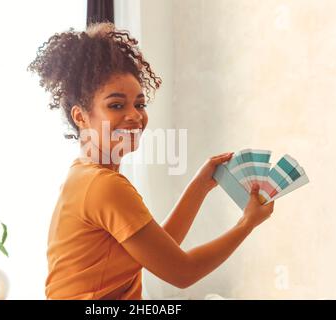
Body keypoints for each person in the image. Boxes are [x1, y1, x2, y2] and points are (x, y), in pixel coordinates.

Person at [27, 22, 274, 300]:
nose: (135, 116)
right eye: (117, 105)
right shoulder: (103, 186)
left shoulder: (85, 176)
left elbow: (161, 250)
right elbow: (183, 272)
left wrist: (201, 185)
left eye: (140, 104)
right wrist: (247, 223)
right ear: (80, 116)